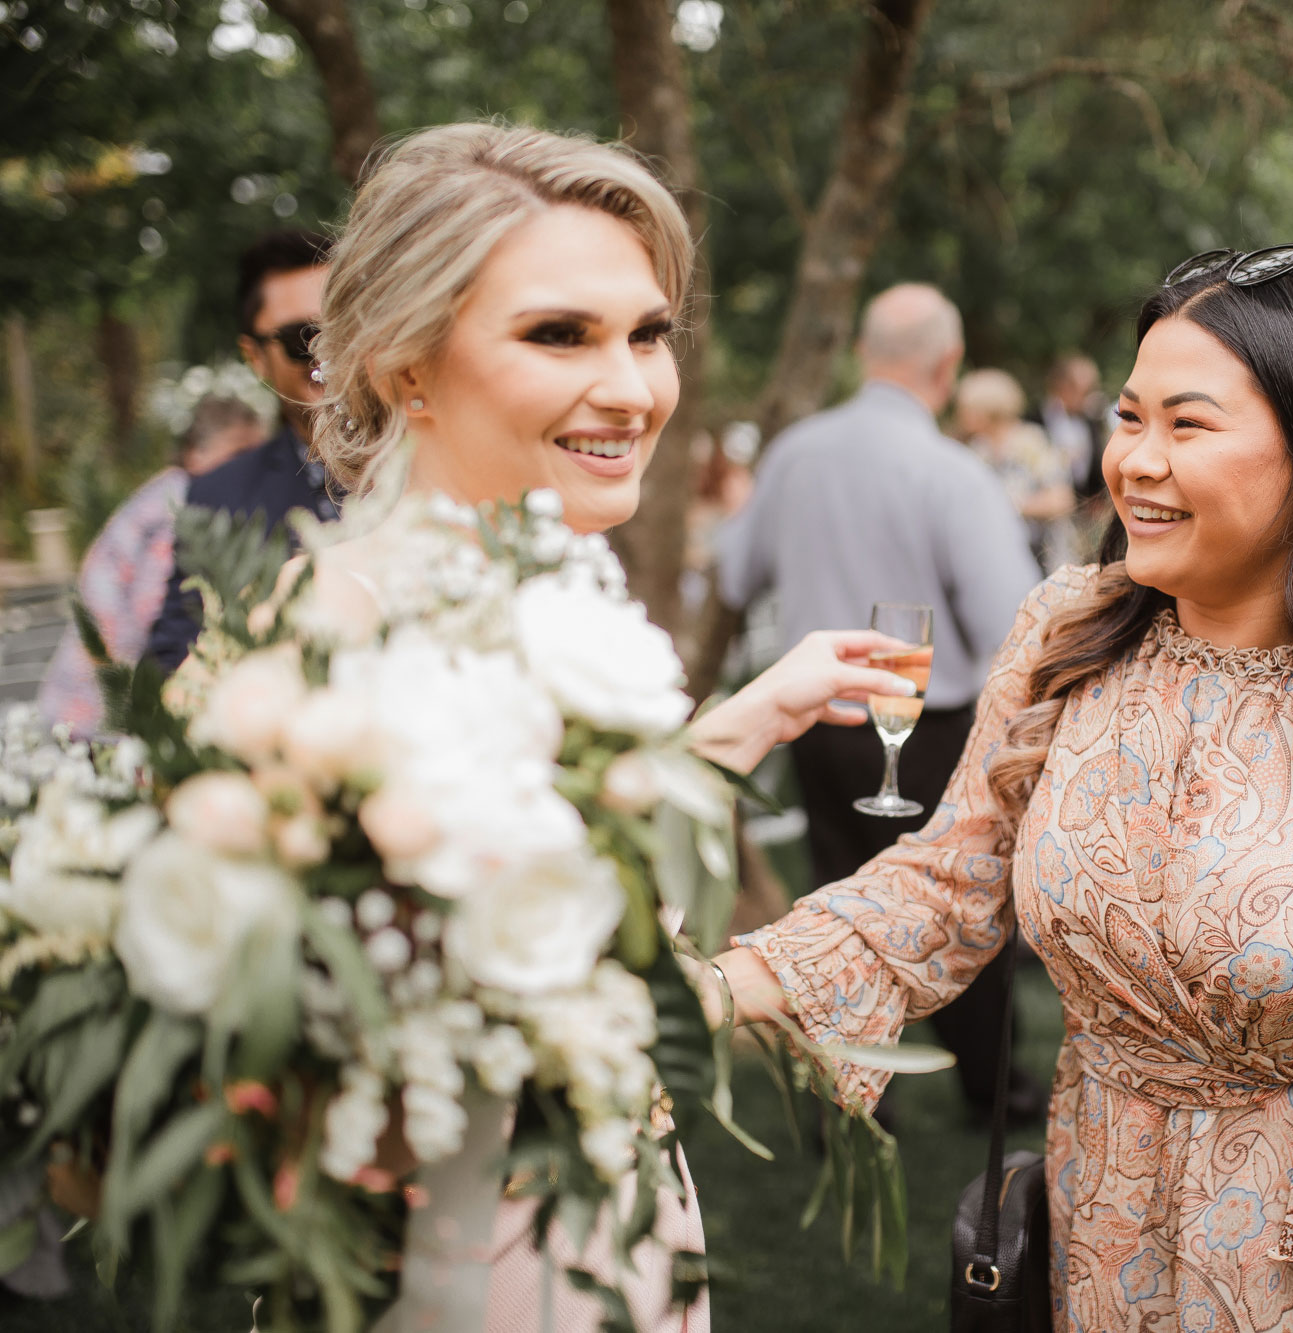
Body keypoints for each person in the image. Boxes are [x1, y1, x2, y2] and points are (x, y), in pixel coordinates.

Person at [713, 245, 1293, 1331]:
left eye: (1187, 424)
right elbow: (943, 884)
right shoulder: (1063, 637)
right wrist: (707, 995)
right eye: (1128, 417)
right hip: (1106, 1228)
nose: (1135, 462)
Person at [301, 122, 923, 1333]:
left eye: (647, 332)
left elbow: (564, 856)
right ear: (403, 367)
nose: (633, 388)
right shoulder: (338, 630)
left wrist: (744, 723)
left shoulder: (550, 586)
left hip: (623, 1215)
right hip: (463, 1255)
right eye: (558, 334)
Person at [711, 284, 1047, 1127]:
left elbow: (731, 573)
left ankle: (855, 1099)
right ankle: (992, 1089)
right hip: (928, 726)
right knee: (962, 902)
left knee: (834, 896)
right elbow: (1012, 617)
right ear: (947, 365)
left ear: (865, 353)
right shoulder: (951, 471)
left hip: (818, 721)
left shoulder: (792, 454)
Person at [146, 230, 345, 674]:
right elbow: (171, 662)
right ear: (255, 357)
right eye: (303, 337)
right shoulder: (218, 498)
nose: (328, 351)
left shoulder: (445, 456)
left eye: (345, 326)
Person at [36, 394, 265, 734]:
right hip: (95, 707)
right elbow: (145, 608)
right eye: (239, 455)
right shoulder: (182, 502)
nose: (250, 469)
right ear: (194, 453)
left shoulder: (166, 491)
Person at [954, 366, 1079, 572]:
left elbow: (1062, 499)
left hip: (1042, 560)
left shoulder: (1030, 443)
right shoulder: (978, 450)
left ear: (988, 409)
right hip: (998, 560)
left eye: (967, 408)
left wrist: (1011, 505)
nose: (961, 415)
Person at [1033, 351, 1108, 502]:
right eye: (1086, 389)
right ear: (1062, 386)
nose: (1090, 395)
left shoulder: (1093, 421)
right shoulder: (1033, 421)